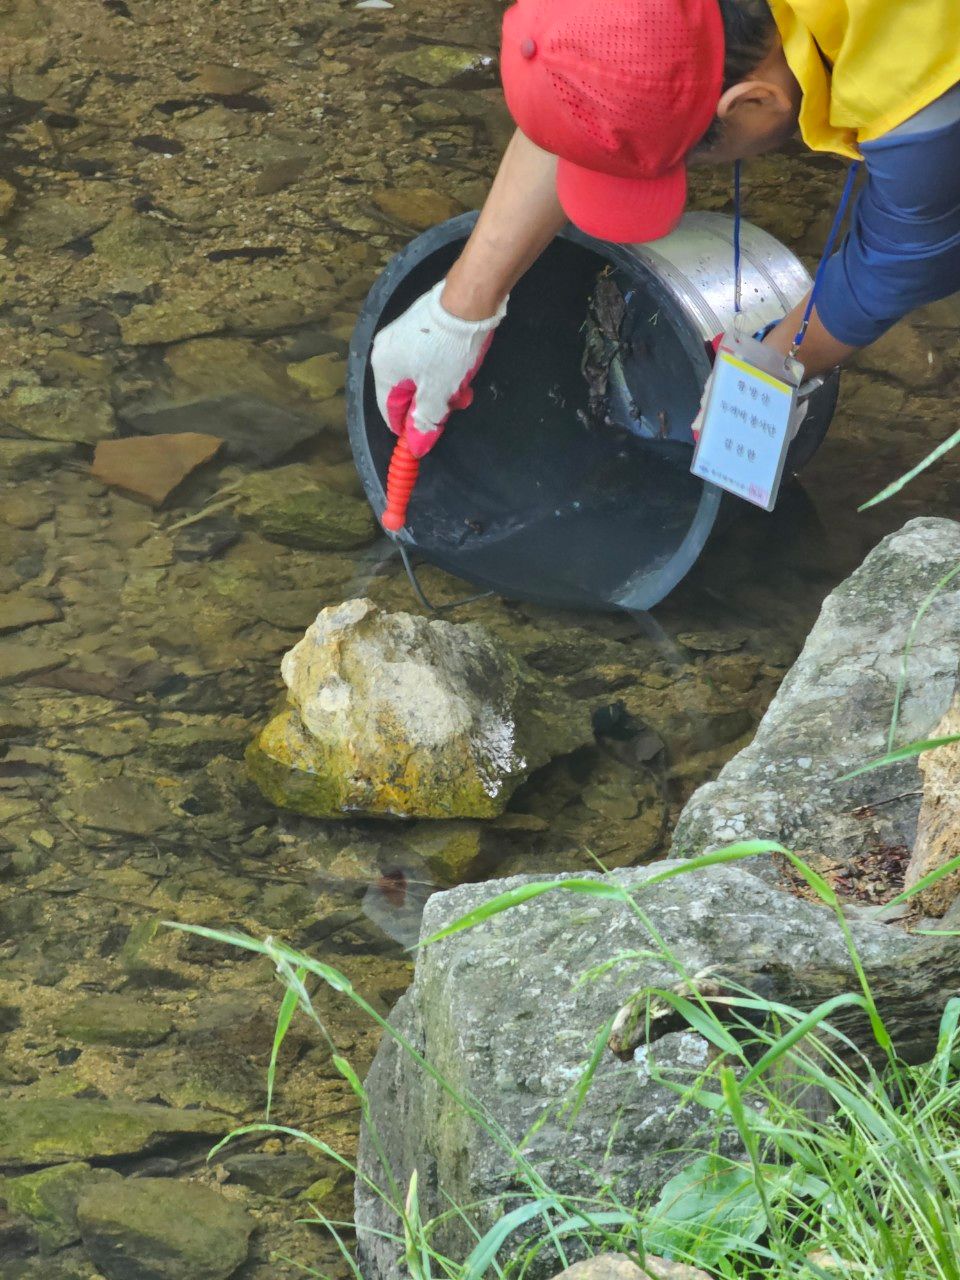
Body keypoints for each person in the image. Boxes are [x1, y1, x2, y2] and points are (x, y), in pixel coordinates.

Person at [371, 0, 960, 461]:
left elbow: (907, 254)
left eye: (675, 162)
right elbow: (583, 79)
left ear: (754, 101)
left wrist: (773, 363)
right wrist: (459, 311)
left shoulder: (916, 89)